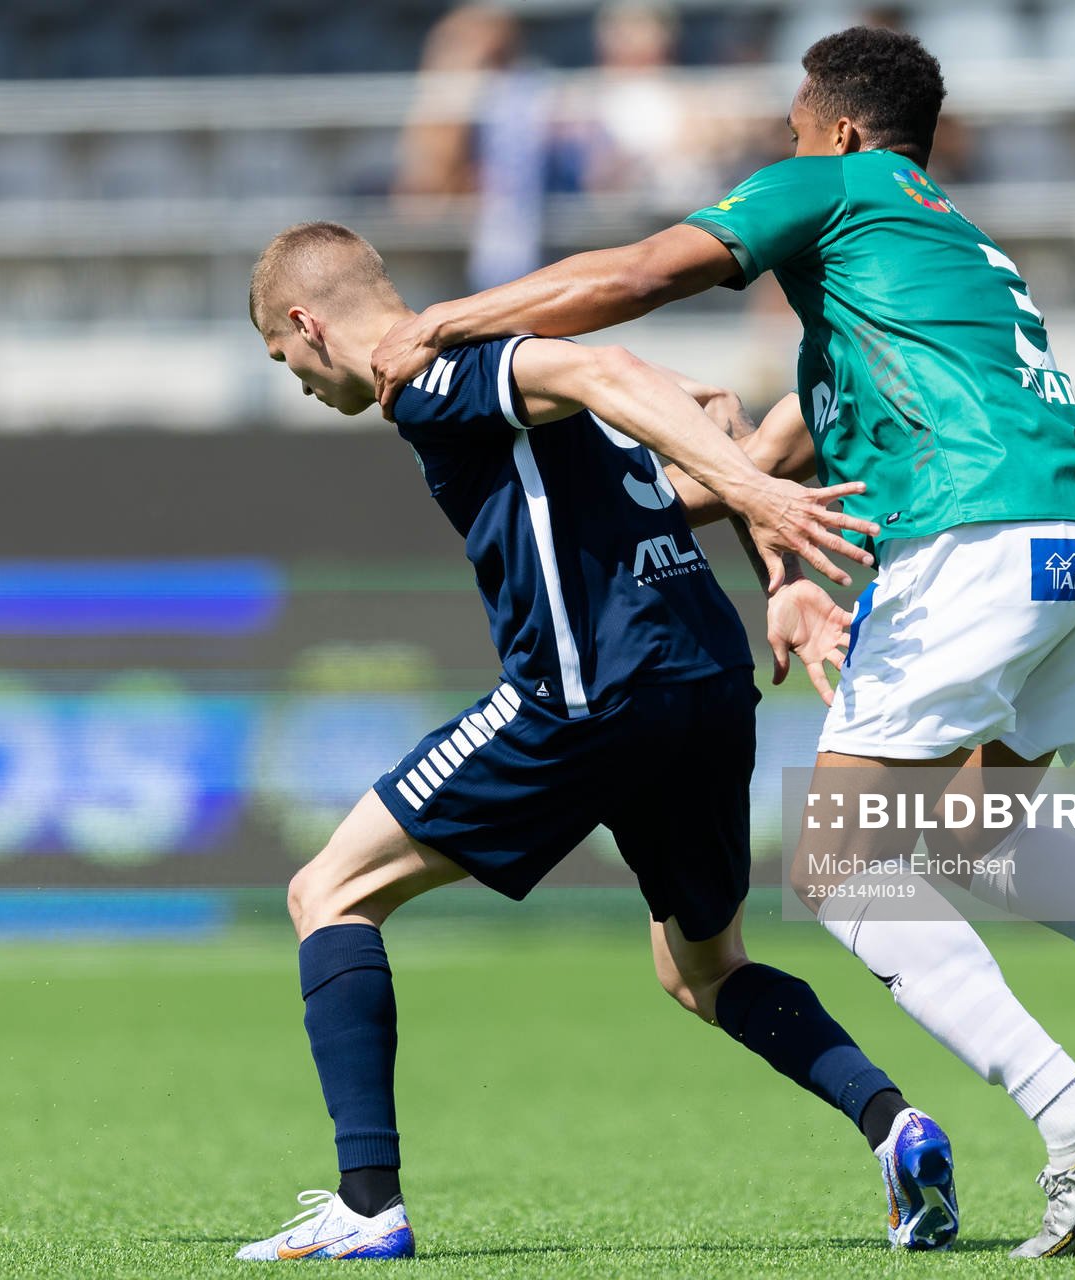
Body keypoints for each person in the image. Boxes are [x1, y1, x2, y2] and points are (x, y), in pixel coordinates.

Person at [368, 27, 1075, 1259]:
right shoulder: (938, 255)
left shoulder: (837, 184)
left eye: (790, 131)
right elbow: (751, 469)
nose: (780, 153)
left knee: (837, 864)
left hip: (980, 535)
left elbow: (643, 270)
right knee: (982, 836)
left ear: (834, 129)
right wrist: (740, 551)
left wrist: (449, 320)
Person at [235, 220, 961, 1261]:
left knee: (328, 893)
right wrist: (777, 560)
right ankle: (895, 1125)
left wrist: (756, 493)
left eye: (283, 358)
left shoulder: (431, 373)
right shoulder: (498, 358)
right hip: (704, 682)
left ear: (308, 324)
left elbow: (607, 369)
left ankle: (366, 1204)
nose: (299, 382)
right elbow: (701, 416)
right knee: (703, 967)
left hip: (586, 693)